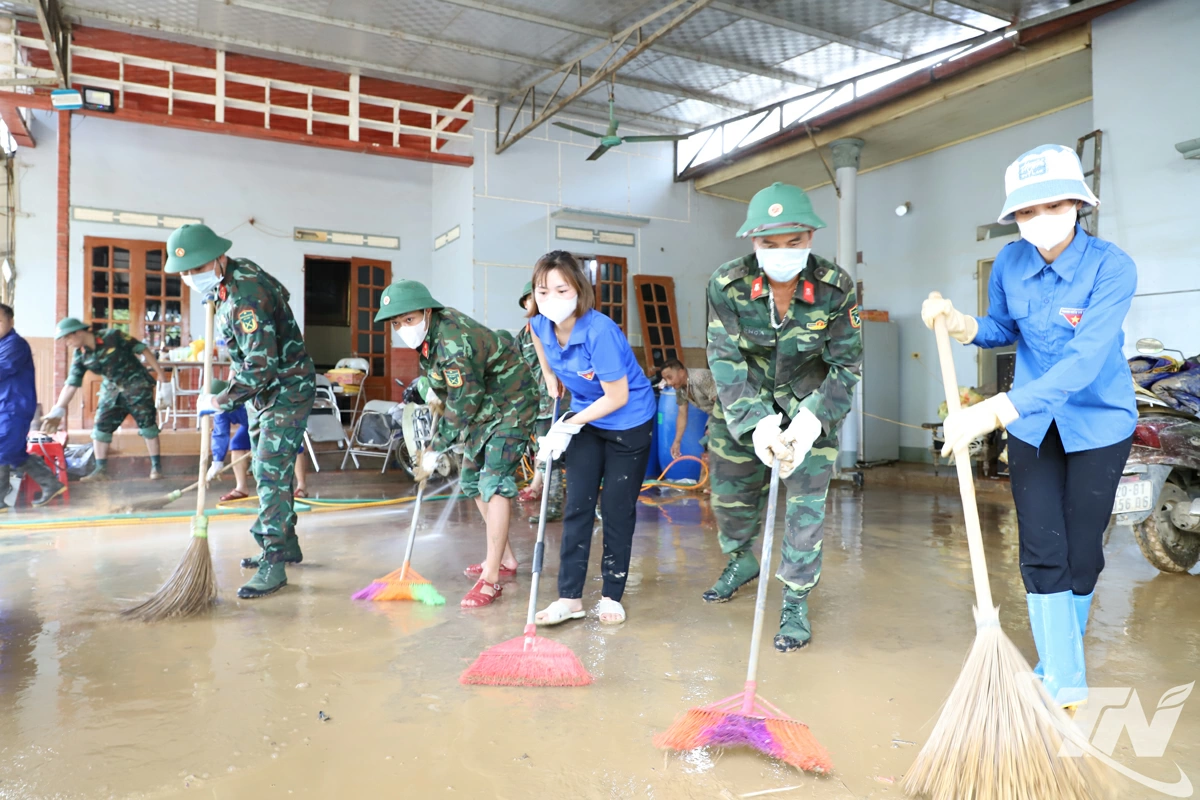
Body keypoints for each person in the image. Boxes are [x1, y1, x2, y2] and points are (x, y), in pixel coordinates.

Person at [922, 144, 1136, 707]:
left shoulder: (1112, 267)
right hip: (1033, 425)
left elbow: (1086, 360)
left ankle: (1060, 659)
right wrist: (962, 323)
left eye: (1051, 206)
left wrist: (995, 410)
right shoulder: (1012, 263)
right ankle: (1063, 676)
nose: (1037, 220)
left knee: (1082, 551)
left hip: (1099, 423)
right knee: (1042, 545)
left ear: (1076, 204)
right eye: (1025, 211)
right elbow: (1001, 328)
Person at [705, 182, 863, 653]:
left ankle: (795, 599)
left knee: (806, 509)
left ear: (810, 237)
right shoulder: (727, 284)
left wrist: (810, 421)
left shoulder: (836, 288)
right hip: (743, 403)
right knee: (731, 500)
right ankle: (740, 559)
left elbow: (846, 364)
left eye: (793, 242)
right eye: (768, 244)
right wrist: (757, 425)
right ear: (752, 242)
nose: (781, 252)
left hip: (811, 405)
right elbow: (723, 358)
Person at [167, 223, 315, 599]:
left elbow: (262, 365)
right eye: (184, 272)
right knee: (270, 468)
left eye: (196, 269)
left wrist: (219, 399)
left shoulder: (245, 296)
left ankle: (274, 558)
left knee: (268, 469)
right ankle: (288, 541)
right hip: (261, 393)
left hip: (286, 386)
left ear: (218, 258)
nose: (189, 277)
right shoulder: (227, 281)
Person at [377, 279, 537, 608]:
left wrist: (434, 449)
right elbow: (447, 382)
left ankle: (490, 578)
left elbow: (464, 401)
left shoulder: (452, 342)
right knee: (471, 481)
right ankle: (505, 559)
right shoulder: (432, 337)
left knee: (493, 481)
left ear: (426, 311)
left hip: (511, 406)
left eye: (409, 319)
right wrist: (425, 387)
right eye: (396, 322)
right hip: (485, 407)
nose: (403, 327)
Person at [527, 251, 657, 627]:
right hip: (588, 419)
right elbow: (537, 341)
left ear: (579, 290)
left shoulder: (600, 332)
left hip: (629, 422)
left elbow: (618, 397)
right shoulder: (540, 324)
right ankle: (569, 598)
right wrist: (550, 376)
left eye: (560, 289)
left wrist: (566, 426)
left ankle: (611, 595)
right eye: (542, 290)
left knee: (616, 510)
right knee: (577, 507)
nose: (550, 298)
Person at [42, 318, 169, 481]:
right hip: (112, 390)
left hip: (136, 384)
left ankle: (156, 468)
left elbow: (142, 349)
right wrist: (58, 409)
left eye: (67, 337)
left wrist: (162, 377)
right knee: (101, 427)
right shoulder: (81, 354)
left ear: (79, 332)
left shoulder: (113, 336)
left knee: (147, 425)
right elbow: (71, 383)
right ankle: (101, 470)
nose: (66, 342)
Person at [0, 304, 65, 512]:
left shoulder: (15, 344)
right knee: (15, 452)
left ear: (11, 322)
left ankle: (0, 497)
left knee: (2, 448)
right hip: (5, 406)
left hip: (14, 406)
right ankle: (50, 483)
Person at [515, 280, 569, 522]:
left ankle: (555, 506)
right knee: (546, 455)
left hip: (560, 402)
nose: (531, 303)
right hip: (538, 407)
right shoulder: (522, 337)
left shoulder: (555, 329)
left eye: (534, 298)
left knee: (555, 456)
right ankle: (552, 504)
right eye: (527, 300)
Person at [207, 404, 311, 503]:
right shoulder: (219, 408)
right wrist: (217, 461)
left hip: (275, 413)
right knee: (237, 444)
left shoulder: (241, 393)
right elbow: (220, 433)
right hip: (251, 423)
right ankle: (241, 488)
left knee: (292, 443)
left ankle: (302, 486)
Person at [658, 358, 716, 460]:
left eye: (670, 377)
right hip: (715, 414)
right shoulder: (680, 389)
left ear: (681, 372)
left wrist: (715, 425)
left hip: (732, 414)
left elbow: (723, 404)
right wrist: (677, 442)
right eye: (666, 379)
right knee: (708, 448)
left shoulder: (700, 378)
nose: (669, 382)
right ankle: (710, 474)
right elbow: (682, 414)